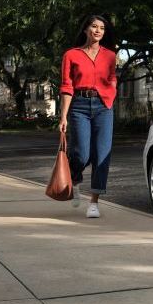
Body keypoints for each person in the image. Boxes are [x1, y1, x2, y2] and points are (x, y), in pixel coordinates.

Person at [58, 15, 118, 218]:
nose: (98, 30)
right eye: (94, 26)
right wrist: (63, 116)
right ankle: (75, 181)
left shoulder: (110, 56)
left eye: (102, 28)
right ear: (86, 29)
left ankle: (94, 202)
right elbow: (67, 86)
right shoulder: (71, 55)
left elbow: (112, 78)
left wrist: (110, 93)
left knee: (102, 155)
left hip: (104, 106)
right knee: (81, 154)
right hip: (79, 106)